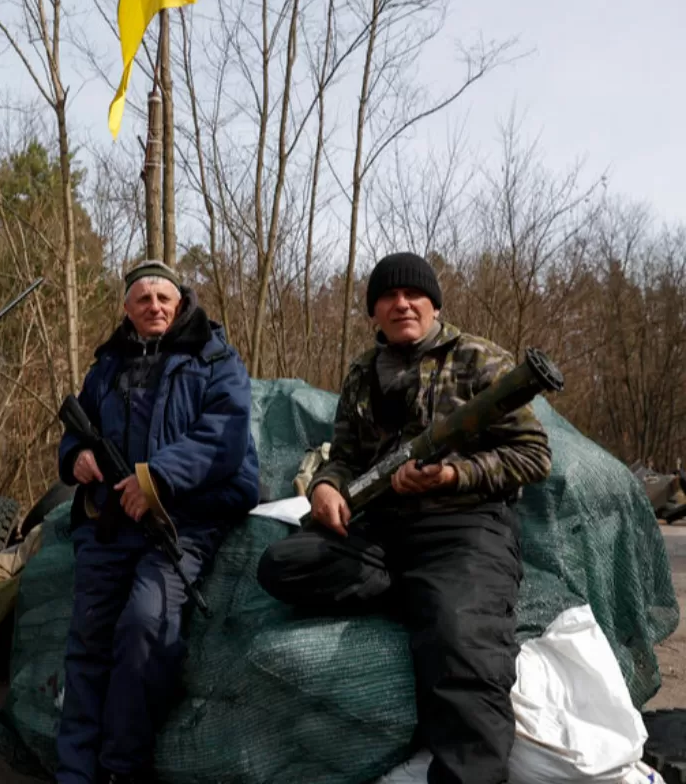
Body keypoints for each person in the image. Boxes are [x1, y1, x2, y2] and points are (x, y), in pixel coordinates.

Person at [257, 252, 553, 784]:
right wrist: (326, 485)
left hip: (464, 527)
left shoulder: (479, 359)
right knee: (284, 563)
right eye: (387, 297)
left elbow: (532, 456)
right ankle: (421, 591)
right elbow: (344, 454)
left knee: (460, 642)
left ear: (434, 303)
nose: (401, 304)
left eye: (413, 294)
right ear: (374, 313)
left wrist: (453, 476)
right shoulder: (363, 373)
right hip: (383, 531)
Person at [55, 260, 260, 784]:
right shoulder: (106, 366)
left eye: (164, 298)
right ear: (127, 308)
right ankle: (75, 773)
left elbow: (225, 436)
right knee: (87, 642)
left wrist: (157, 480)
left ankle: (122, 768)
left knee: (146, 626)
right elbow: (78, 428)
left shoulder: (215, 359)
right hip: (108, 527)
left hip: (180, 523)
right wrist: (75, 456)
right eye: (143, 299)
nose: (155, 307)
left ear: (180, 303)